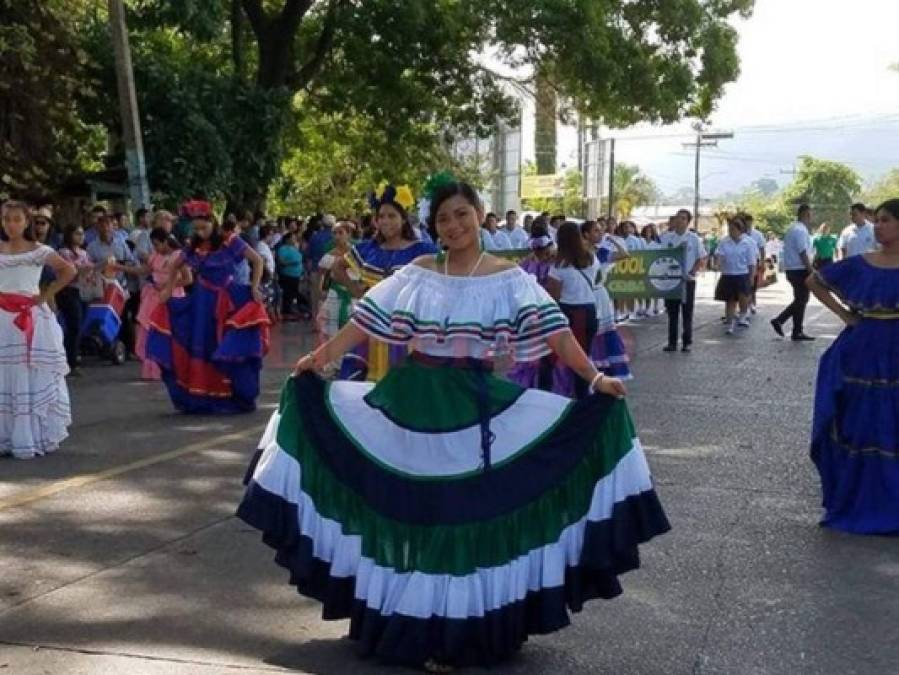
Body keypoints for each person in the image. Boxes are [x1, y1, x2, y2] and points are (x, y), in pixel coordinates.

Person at [238, 180, 670, 671]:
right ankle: (412, 624)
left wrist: (595, 378)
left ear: (480, 214)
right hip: (413, 398)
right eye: (444, 218)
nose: (454, 226)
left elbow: (556, 332)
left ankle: (459, 629)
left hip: (475, 404)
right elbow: (365, 320)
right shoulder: (420, 271)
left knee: (461, 514)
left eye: (462, 214)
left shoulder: (509, 278)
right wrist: (319, 357)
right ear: (435, 226)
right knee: (415, 512)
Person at [805, 198, 899, 534]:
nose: (878, 226)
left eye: (886, 220)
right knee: (863, 424)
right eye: (877, 220)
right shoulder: (860, 264)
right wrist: (846, 316)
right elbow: (814, 281)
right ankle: (860, 499)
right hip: (864, 351)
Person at [147, 200, 269, 414]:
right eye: (196, 229)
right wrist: (167, 290)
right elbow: (176, 265)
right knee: (201, 344)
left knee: (226, 345)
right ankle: (201, 395)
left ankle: (234, 393)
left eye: (204, 227)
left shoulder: (229, 240)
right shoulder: (193, 246)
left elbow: (257, 260)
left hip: (227, 299)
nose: (200, 232)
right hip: (202, 302)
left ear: (213, 222)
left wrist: (255, 286)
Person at [330, 183, 437, 381]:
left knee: (402, 389)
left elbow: (445, 276)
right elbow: (337, 267)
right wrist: (357, 291)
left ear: (404, 219)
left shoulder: (422, 250)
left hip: (407, 332)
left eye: (392, 216)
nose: (385, 221)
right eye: (381, 217)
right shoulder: (369, 249)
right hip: (370, 329)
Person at [0, 200, 76, 458]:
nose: (11, 224)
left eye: (16, 219)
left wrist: (46, 295)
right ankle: (6, 435)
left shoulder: (38, 250)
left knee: (25, 372)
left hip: (28, 318)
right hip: (2, 317)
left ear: (26, 222)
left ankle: (29, 435)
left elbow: (68, 270)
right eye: (7, 219)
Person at [545, 222, 632, 398]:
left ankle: (563, 392)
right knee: (584, 355)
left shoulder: (559, 265)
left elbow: (553, 295)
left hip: (570, 312)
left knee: (563, 355)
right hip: (591, 310)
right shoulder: (591, 258)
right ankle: (583, 393)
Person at [135, 228, 189, 381]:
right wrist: (120, 267)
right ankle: (153, 368)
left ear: (166, 241)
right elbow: (143, 270)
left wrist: (167, 285)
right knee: (150, 331)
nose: (156, 247)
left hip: (173, 296)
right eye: (153, 245)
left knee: (170, 333)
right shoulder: (155, 256)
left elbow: (188, 279)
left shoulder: (178, 255)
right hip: (155, 297)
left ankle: (172, 366)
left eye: (157, 244)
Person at [86, 214, 142, 357]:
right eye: (102, 224)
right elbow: (88, 267)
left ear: (113, 226)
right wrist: (102, 266)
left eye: (108, 224)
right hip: (102, 287)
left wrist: (121, 265)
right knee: (105, 317)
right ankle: (106, 346)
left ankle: (128, 349)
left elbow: (131, 261)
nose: (105, 227)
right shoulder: (92, 247)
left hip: (120, 286)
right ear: (97, 227)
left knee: (124, 317)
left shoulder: (121, 242)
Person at [660, 209, 707, 352]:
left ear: (688, 221)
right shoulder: (666, 237)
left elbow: (702, 257)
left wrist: (692, 271)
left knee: (687, 312)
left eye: (683, 218)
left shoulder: (694, 239)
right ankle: (672, 342)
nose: (680, 221)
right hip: (671, 280)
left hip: (687, 280)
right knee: (672, 312)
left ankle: (687, 341)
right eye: (678, 218)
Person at [771, 204, 815, 341]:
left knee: (800, 300)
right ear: (806, 214)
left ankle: (797, 330)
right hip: (799, 269)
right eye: (810, 214)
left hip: (793, 268)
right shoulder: (800, 230)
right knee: (802, 299)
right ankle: (780, 320)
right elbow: (803, 252)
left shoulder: (793, 228)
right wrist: (811, 270)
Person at [56, 224, 94, 375]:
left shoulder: (84, 253)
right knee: (74, 325)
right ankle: (70, 361)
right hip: (67, 290)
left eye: (82, 234)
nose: (81, 237)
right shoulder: (63, 252)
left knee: (78, 326)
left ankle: (72, 357)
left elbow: (90, 270)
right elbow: (71, 272)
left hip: (81, 290)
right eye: (77, 234)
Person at [315, 221, 356, 346]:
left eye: (340, 233)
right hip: (334, 295)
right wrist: (322, 291)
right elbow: (323, 275)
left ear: (348, 234)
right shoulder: (328, 256)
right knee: (331, 330)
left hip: (353, 296)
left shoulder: (358, 254)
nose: (337, 236)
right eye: (334, 233)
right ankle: (332, 362)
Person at [714, 217, 757, 335]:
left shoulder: (748, 242)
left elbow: (751, 262)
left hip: (742, 274)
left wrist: (752, 276)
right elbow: (720, 255)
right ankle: (730, 324)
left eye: (733, 229)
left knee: (743, 299)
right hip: (728, 274)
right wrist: (717, 263)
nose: (730, 231)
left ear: (740, 230)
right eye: (729, 229)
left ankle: (743, 315)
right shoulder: (724, 241)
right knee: (730, 300)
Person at [276, 231, 307, 320]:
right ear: (287, 239)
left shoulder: (294, 248)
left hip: (296, 275)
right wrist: (293, 263)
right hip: (288, 275)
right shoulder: (283, 249)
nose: (294, 239)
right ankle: (287, 312)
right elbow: (281, 261)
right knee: (289, 293)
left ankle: (291, 310)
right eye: (293, 238)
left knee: (292, 292)